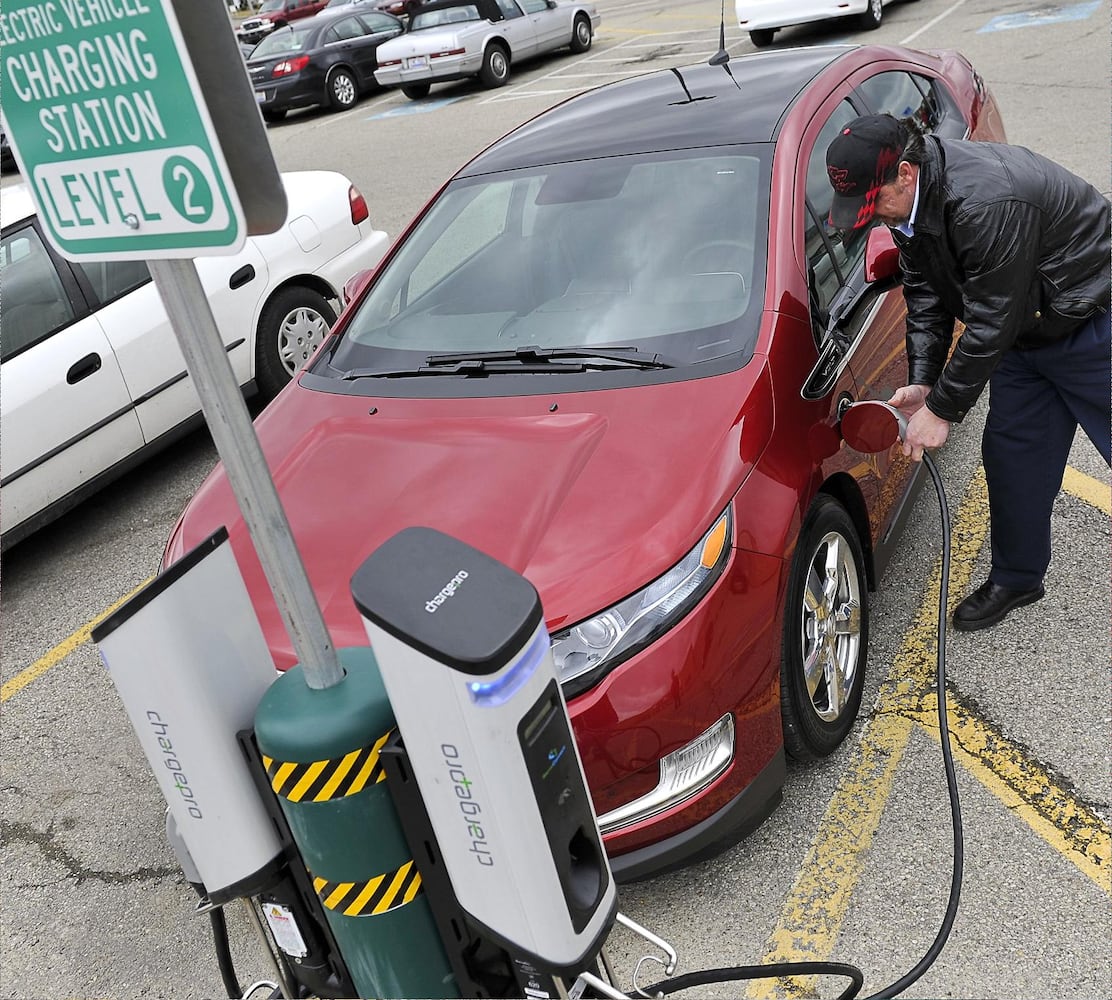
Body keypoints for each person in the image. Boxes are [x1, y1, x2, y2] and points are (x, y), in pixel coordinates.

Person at [825, 114, 1111, 631]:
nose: (873, 220)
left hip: (1091, 319)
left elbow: (990, 319)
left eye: (875, 203)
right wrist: (925, 380)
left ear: (906, 174)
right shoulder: (910, 208)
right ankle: (1018, 578)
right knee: (1012, 461)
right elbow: (926, 293)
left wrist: (941, 410)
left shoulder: (985, 202)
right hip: (1026, 334)